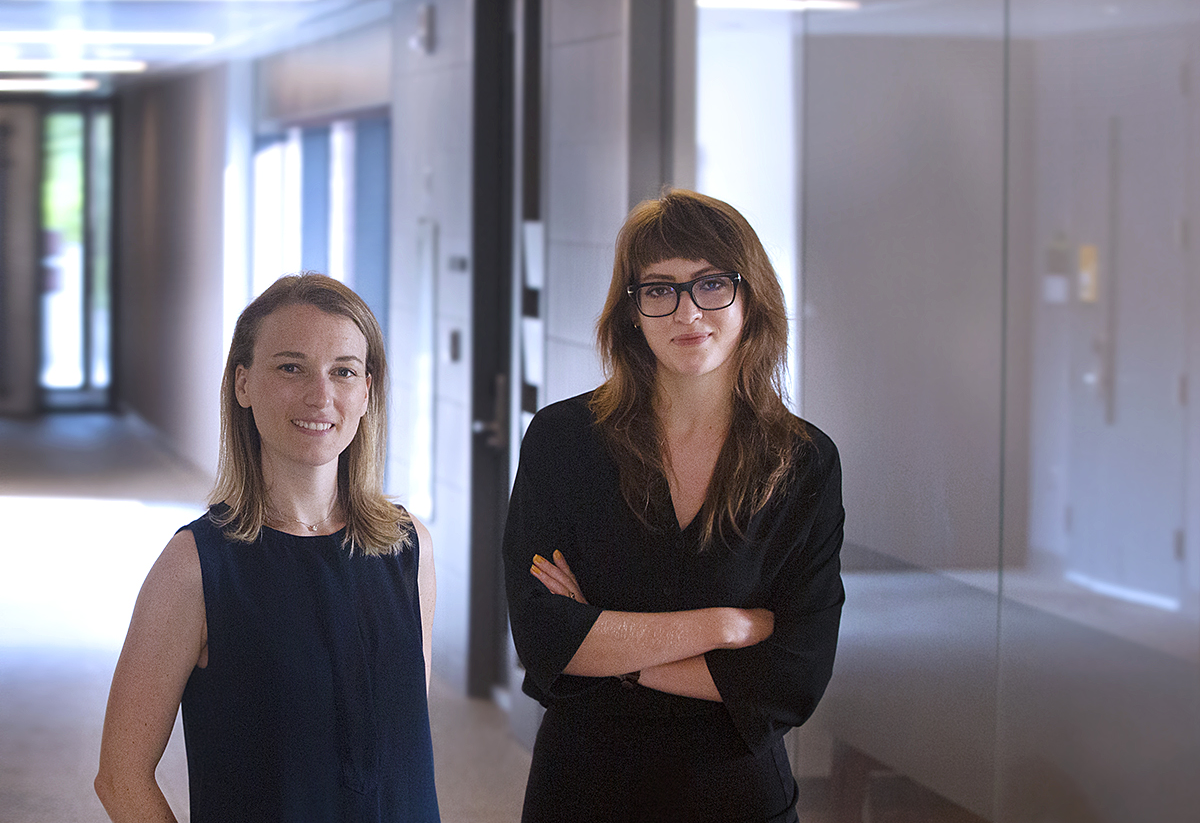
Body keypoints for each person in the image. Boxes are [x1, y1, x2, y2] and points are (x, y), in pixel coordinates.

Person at [503, 189, 845, 823]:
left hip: (736, 798)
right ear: (632, 310)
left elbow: (795, 676)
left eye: (711, 284)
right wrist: (725, 627)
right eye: (659, 289)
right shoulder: (562, 440)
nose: (687, 312)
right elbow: (546, 638)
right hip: (584, 791)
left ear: (751, 297)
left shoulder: (803, 462)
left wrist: (618, 657)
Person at [95, 274, 440, 822]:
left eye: (343, 371)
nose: (320, 396)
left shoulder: (407, 550)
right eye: (291, 367)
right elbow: (120, 778)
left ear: (367, 390)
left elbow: (396, 750)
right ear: (243, 384)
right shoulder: (195, 567)